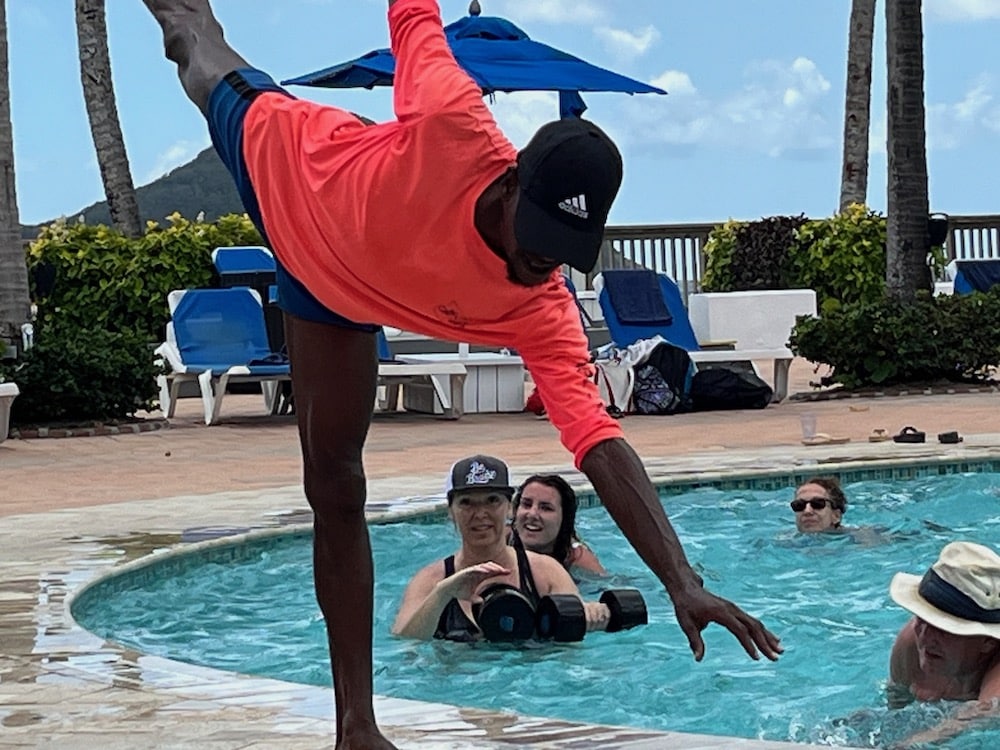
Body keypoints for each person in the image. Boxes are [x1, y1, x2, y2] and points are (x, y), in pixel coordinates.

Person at [142, 1, 781, 746]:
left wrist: (681, 580)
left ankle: (356, 727)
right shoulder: (452, 114)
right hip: (287, 165)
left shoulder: (541, 308)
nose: (538, 262)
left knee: (337, 486)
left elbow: (598, 441)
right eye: (536, 236)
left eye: (561, 249)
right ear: (510, 184)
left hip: (330, 298)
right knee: (192, 42)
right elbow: (413, 13)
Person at [393, 455, 609, 641]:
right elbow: (404, 644)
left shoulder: (546, 573)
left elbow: (571, 658)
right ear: (451, 512)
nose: (480, 513)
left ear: (509, 509)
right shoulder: (431, 581)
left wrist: (593, 615)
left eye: (492, 501)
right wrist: (444, 593)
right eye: (466, 502)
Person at [886, 541, 1000, 746]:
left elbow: (984, 714)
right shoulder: (910, 641)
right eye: (922, 618)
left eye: (943, 628)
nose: (925, 636)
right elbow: (896, 704)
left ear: (988, 643)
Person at [511, 474, 606, 575]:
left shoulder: (578, 560)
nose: (532, 514)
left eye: (546, 508)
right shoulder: (501, 540)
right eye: (526, 504)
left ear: (564, 519)